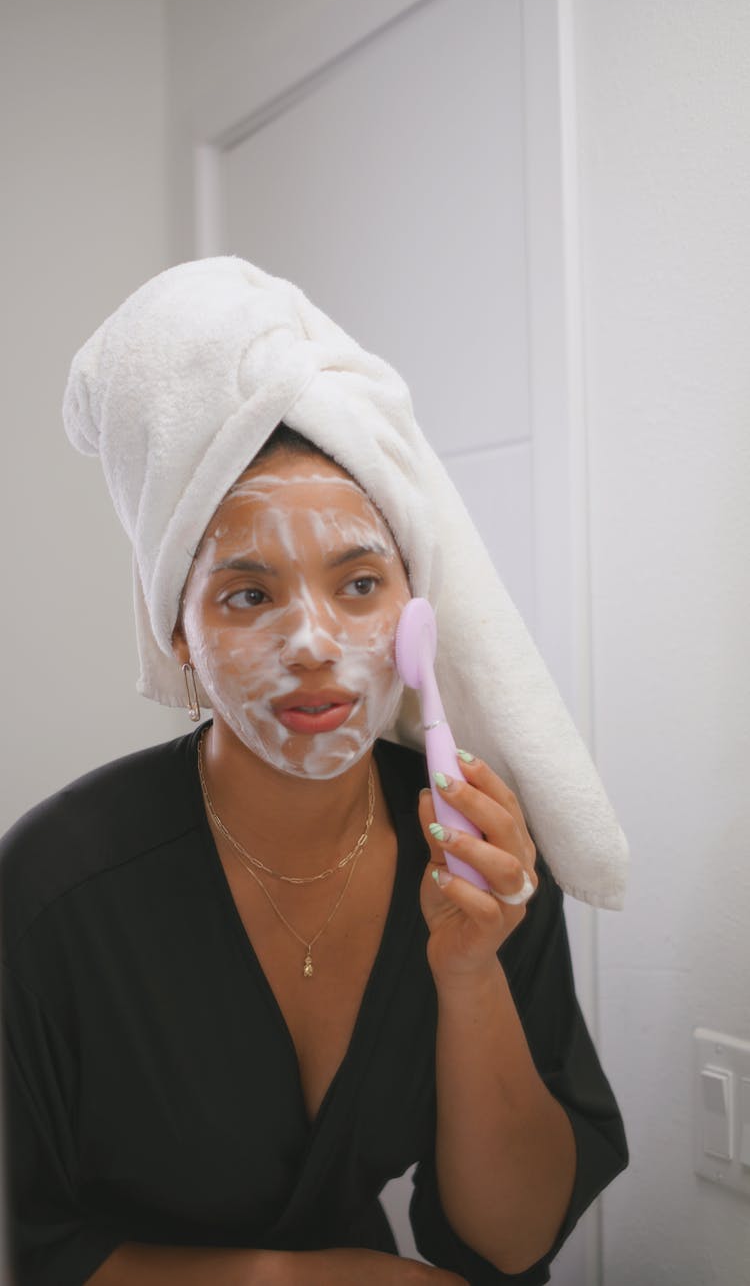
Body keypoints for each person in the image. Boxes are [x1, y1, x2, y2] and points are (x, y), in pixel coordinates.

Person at [1, 259, 628, 1286]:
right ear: (179, 637)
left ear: (415, 614)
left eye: (360, 582)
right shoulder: (48, 895)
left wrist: (470, 973)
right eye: (249, 596)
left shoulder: (480, 854)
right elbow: (30, 1246)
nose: (313, 642)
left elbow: (509, 1242)